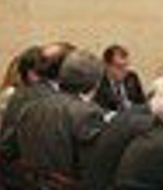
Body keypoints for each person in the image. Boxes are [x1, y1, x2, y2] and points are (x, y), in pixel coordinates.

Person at [14, 49, 106, 181]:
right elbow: (93, 168)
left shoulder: (29, 108)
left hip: (32, 189)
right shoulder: (88, 113)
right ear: (95, 83)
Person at [93, 44, 146, 113]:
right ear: (107, 65)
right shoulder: (99, 82)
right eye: (119, 67)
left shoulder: (132, 78)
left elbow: (143, 104)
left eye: (126, 66)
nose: (124, 71)